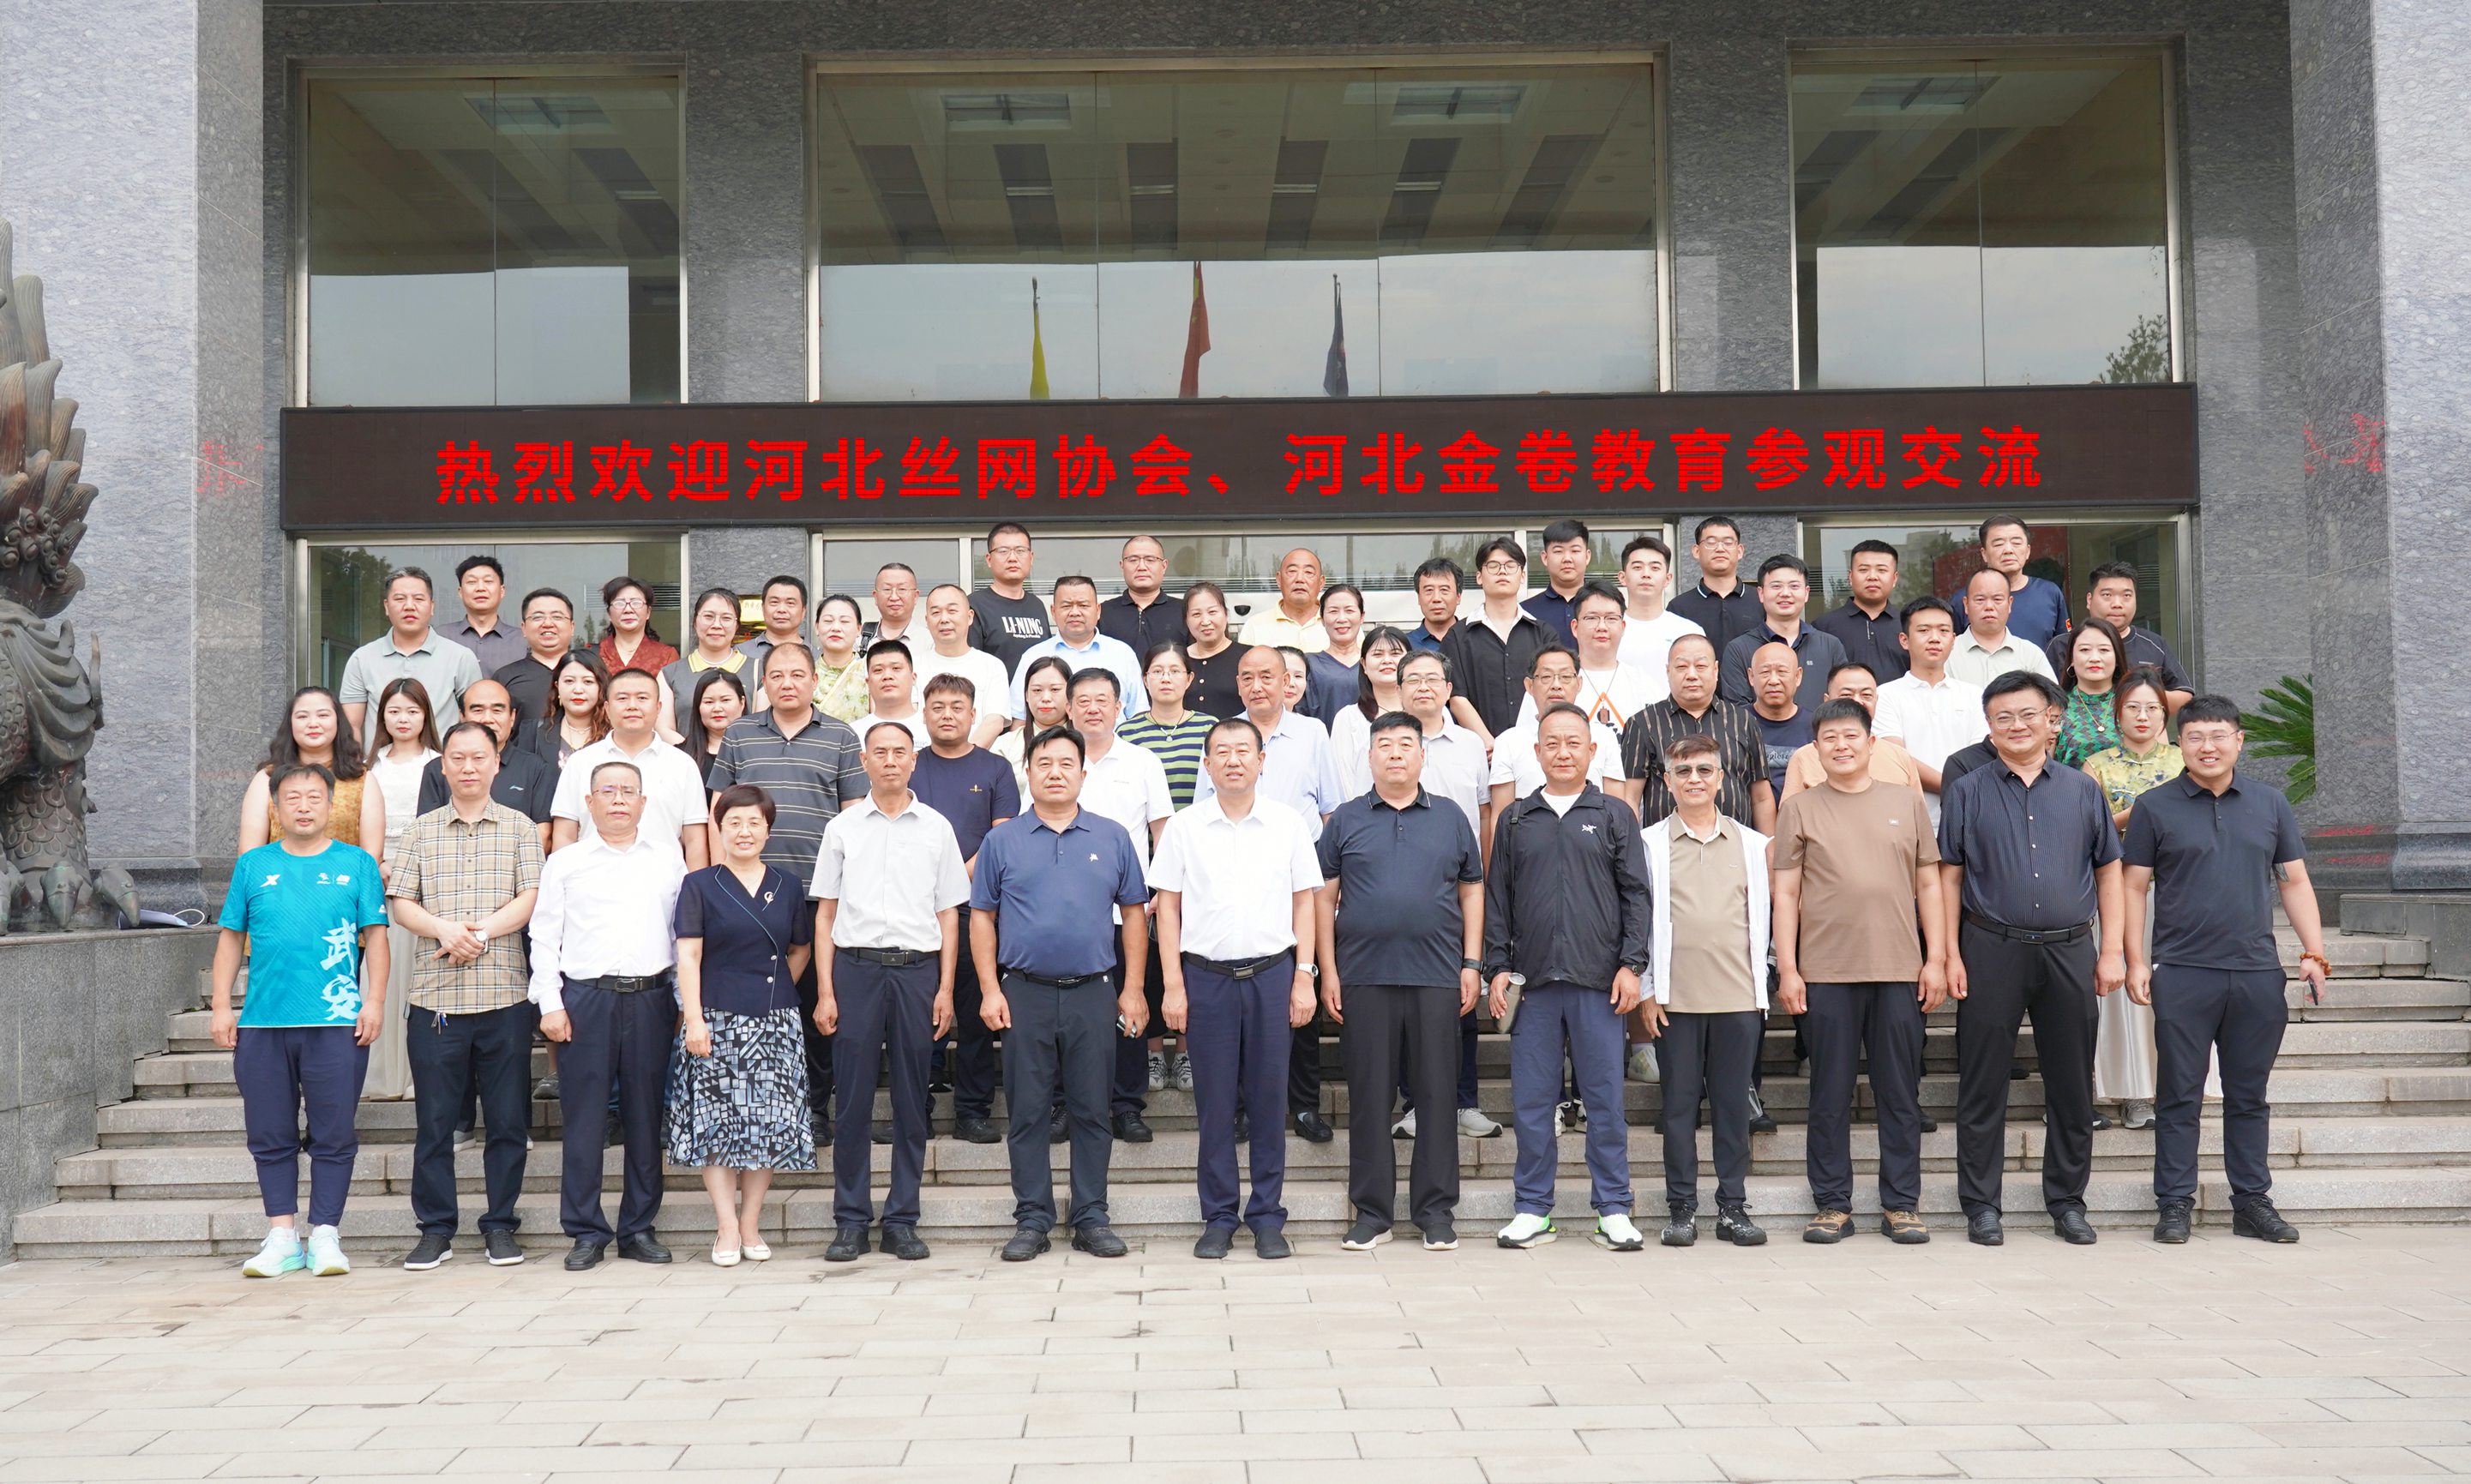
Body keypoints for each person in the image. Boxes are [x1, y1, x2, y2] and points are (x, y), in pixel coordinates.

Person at [2124, 696, 2330, 1246]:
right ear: (2180, 744)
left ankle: (2252, 1203)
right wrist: (2135, 960)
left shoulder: (2270, 803)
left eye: (2218, 736)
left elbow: (2294, 881)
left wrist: (2314, 953)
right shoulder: (2154, 806)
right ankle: (2174, 1204)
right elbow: (2133, 887)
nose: (2207, 747)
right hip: (2183, 971)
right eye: (2195, 737)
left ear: (2239, 741)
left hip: (2256, 972)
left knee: (2248, 1095)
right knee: (2179, 1094)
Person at [1938, 670, 2126, 1247]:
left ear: (2052, 721)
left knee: (2071, 1085)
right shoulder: (1967, 789)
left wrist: (2112, 950)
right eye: (2003, 717)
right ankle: (1981, 1205)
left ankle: (2067, 1202)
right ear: (1988, 726)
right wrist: (1948, 953)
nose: (2016, 725)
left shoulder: (2082, 789)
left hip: (2070, 948)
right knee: (1982, 1083)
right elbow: (1950, 875)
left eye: (2027, 714)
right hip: (1989, 947)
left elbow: (2109, 870)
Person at [971, 726, 1150, 1262]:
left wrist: (1133, 989)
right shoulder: (1001, 841)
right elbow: (982, 918)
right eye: (1044, 763)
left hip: (1093, 992)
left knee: (1093, 1110)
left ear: (1082, 774)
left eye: (1066, 763)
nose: (1055, 772)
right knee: (1027, 1112)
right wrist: (989, 989)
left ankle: (1091, 1216)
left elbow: (1134, 914)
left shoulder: (1112, 837)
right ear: (1027, 772)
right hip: (1023, 993)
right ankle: (1032, 1218)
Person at [1771, 703, 1947, 1247]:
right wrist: (1789, 968)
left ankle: (1902, 1205)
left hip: (1899, 968)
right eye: (1830, 738)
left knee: (1900, 1093)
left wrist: (1937, 958)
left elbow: (1929, 884)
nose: (1841, 746)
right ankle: (1831, 1205)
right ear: (1815, 749)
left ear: (1873, 744)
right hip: (1825, 971)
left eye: (1851, 735)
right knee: (1829, 1093)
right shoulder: (1799, 808)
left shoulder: (1906, 801)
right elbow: (1786, 893)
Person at [1152, 718, 1326, 1259]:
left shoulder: (1287, 824)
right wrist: (1174, 984)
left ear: (1261, 760)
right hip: (1207, 979)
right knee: (1215, 1103)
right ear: (1206, 764)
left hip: (1273, 976)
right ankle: (1220, 1216)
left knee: (1270, 1101)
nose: (1233, 760)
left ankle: (1268, 1216)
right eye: (1222, 752)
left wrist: (1304, 975)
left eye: (1243, 751)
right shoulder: (1185, 827)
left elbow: (1304, 901)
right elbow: (1168, 908)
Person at [212, 762, 390, 1279]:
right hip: (264, 1022)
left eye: (314, 797)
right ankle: (283, 1238)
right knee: (270, 1132)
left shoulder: (356, 864)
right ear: (276, 807)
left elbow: (377, 936)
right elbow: (230, 937)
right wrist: (222, 1005)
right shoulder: (253, 866)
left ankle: (326, 1235)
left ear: (331, 805)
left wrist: (375, 1001)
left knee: (334, 1132)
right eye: (293, 798)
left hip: (337, 1020)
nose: (304, 806)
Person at [1486, 704, 1652, 1252]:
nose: (1562, 752)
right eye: (1552, 743)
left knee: (1604, 1102)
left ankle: (1614, 1209)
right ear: (1536, 752)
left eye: (1573, 743)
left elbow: (1637, 896)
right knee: (1533, 1103)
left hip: (1598, 981)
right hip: (1532, 984)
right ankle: (1533, 1209)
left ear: (1592, 751)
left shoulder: (1613, 815)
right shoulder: (1515, 819)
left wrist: (1632, 965)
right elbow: (1498, 900)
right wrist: (1496, 968)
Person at [1318, 712, 1485, 1253]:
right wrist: (1327, 970)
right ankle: (1373, 1213)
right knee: (1370, 1098)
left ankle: (1435, 1211)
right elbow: (1323, 897)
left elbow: (1472, 890)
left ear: (1422, 755)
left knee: (1437, 1095)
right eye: (1384, 745)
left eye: (1405, 744)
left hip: (1437, 975)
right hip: (1363, 977)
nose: (1395, 753)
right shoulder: (1345, 819)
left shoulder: (1450, 817)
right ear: (1369, 757)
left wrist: (1472, 963)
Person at [386, 722, 543, 1271]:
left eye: (479, 757)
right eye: (458, 758)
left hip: (504, 996)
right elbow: (401, 902)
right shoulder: (421, 831)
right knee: (434, 1124)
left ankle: (500, 1224)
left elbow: (531, 896)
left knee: (507, 1123)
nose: (469, 767)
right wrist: (444, 931)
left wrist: (478, 934)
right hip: (436, 1002)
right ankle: (435, 1229)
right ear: (444, 766)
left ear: (496, 763)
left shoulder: (521, 827)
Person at [813, 723, 971, 1263]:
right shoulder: (842, 828)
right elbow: (826, 913)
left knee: (910, 1097)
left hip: (917, 972)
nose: (890, 761)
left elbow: (949, 913)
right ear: (864, 761)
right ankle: (851, 1220)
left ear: (913, 760)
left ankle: (902, 1218)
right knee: (853, 1099)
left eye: (899, 752)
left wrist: (945, 988)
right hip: (855, 970)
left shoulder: (937, 828)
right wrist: (826, 990)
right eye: (879, 752)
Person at [705, 641, 869, 1136]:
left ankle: (814, 1108)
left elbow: (854, 818)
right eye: (777, 675)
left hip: (819, 896)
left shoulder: (840, 736)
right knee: (751, 1000)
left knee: (817, 1002)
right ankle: (752, 1103)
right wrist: (720, 881)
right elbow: (718, 812)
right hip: (749, 896)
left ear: (815, 681)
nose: (788, 683)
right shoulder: (740, 734)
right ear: (764, 683)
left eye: (798, 674)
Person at [531, 759, 688, 1270]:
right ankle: (585, 1231)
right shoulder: (566, 862)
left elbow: (681, 938)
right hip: (586, 1001)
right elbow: (544, 936)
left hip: (651, 999)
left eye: (627, 791)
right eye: (607, 791)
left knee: (646, 1117)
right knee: (584, 1120)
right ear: (589, 802)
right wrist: (550, 1004)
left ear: (643, 802)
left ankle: (638, 1227)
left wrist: (683, 1003)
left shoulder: (668, 860)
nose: (618, 799)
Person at [1193, 647, 1344, 1143]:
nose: (1257, 686)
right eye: (1248, 678)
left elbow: (1330, 810)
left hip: (1298, 881)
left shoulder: (1312, 733)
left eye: (1267, 677)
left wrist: (1327, 880)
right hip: (1236, 883)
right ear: (1238, 684)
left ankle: (1303, 1105)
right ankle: (1239, 1108)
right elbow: (1201, 811)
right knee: (1241, 1003)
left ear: (1287, 683)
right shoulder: (1223, 736)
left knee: (1299, 989)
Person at [670, 784, 816, 1266]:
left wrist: (773, 991)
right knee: (718, 1124)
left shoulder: (787, 885)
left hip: (775, 1020)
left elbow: (800, 949)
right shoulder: (700, 884)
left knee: (767, 1125)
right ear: (720, 829)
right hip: (716, 1017)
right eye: (734, 822)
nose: (744, 831)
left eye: (755, 822)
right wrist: (694, 1018)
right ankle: (726, 1226)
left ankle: (751, 1222)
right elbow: (689, 956)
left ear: (769, 830)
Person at [1639, 732, 1771, 1249]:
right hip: (1675, 1001)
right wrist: (1648, 989)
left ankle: (1733, 1207)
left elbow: (1766, 917)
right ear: (1667, 781)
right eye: (1683, 771)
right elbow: (1638, 922)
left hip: (1738, 997)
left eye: (1703, 770)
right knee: (1677, 1109)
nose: (1694, 779)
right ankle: (1682, 1209)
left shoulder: (1753, 844)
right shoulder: (1648, 844)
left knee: (1734, 1109)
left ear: (1721, 778)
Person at [911, 674, 1019, 1145]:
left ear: (974, 714)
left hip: (976, 910)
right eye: (937, 707)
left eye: (957, 707)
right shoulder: (910, 764)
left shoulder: (995, 769)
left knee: (974, 1015)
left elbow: (1001, 835)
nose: (947, 715)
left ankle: (972, 1111)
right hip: (915, 908)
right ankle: (914, 1110)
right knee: (917, 1014)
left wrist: (953, 878)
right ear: (924, 713)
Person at [1067, 668, 1174, 1141]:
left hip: (1127, 912)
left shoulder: (1143, 762)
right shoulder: (1056, 758)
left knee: (1131, 1002)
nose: (1093, 708)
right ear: (1069, 708)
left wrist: (1160, 891)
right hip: (1067, 914)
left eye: (1102, 700)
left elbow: (1161, 832)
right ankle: (1064, 1104)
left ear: (1118, 707)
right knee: (1068, 1013)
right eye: (1083, 700)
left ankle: (1127, 1105)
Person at [2082, 666, 2186, 1132]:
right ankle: (2134, 1091)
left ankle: (2174, 1087)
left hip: (2179, 891)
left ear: (2165, 714)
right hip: (2119, 890)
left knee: (2176, 993)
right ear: (2117, 714)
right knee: (2126, 997)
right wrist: (2139, 814)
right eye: (2133, 708)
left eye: (2152, 708)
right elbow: (2089, 831)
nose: (2143, 716)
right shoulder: (2096, 766)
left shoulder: (2185, 761)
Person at [364, 677, 442, 1101]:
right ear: (382, 716)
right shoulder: (368, 766)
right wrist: (376, 864)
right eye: (394, 711)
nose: (403, 719)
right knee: (385, 972)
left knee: (420, 973)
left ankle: (419, 1075)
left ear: (426, 715)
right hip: (379, 877)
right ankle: (383, 1074)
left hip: (430, 879)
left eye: (412, 711)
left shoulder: (440, 762)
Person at [550, 667, 709, 868]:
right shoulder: (580, 762)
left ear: (658, 707)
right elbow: (565, 835)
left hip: (664, 881)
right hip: (591, 880)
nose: (632, 706)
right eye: (622, 698)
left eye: (642, 698)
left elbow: (695, 841)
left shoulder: (682, 764)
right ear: (607, 708)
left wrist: (693, 887)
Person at [1616, 633, 1773, 832]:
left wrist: (1768, 845)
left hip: (1734, 845)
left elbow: (1761, 797)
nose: (1691, 675)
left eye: (1700, 666)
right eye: (1682, 667)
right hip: (1666, 846)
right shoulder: (1642, 724)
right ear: (1668, 671)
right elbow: (1630, 797)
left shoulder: (1743, 721)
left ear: (1715, 670)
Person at [1871, 598, 1987, 825]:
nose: (1935, 638)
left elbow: (1979, 756)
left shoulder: (1974, 695)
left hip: (1970, 818)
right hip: (1908, 819)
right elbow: (1897, 759)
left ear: (1953, 640)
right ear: (1904, 640)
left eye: (1943, 631)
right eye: (1924, 630)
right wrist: (1955, 786)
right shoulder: (1884, 695)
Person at [339, 568, 483, 748]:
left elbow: (475, 723)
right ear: (386, 606)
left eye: (418, 599)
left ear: (432, 606)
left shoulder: (461, 657)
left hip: (442, 763)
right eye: (399, 599)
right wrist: (355, 765)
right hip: (379, 764)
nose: (409, 606)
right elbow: (351, 726)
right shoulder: (362, 658)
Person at [1488, 647, 1623, 838]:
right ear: (1529, 685)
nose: (1556, 685)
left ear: (1579, 683)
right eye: (1546, 677)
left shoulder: (1604, 737)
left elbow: (1618, 811)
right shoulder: (1508, 741)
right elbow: (1499, 817)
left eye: (1566, 677)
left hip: (1593, 845)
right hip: (1529, 846)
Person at [238, 686, 381, 858]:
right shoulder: (266, 778)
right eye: (302, 716)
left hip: (345, 875)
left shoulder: (362, 780)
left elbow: (372, 855)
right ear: (290, 724)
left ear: (338, 721)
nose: (313, 724)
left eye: (323, 715)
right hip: (278, 875)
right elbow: (249, 855)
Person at [418, 678, 556, 850]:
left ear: (512, 717)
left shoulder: (536, 769)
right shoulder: (438, 768)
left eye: (497, 710)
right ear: (462, 716)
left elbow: (542, 835)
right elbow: (427, 833)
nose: (488, 719)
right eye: (477, 710)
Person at [2046, 561, 2194, 714]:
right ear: (2089, 600)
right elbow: (2041, 699)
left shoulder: (2153, 644)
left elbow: (2184, 698)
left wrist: (2142, 696)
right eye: (2107, 595)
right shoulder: (2061, 645)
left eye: (2126, 596)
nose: (2117, 604)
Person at [1518, 582, 1656, 736]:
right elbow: (1524, 739)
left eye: (1611, 618)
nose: (1602, 627)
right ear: (1575, 627)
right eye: (1592, 618)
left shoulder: (1643, 684)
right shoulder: (1545, 683)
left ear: (1623, 627)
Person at [1719, 555, 1849, 712]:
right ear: (1761, 593)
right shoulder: (1739, 649)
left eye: (1794, 586)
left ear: (1806, 593)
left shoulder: (1830, 646)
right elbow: (1737, 712)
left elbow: (1843, 704)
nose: (1785, 593)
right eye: (1776, 586)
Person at [1778, 664, 1921, 802]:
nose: (1857, 702)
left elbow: (1916, 814)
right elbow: (1791, 814)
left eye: (1866, 695)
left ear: (1876, 700)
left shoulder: (1901, 758)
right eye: (1846, 695)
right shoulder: (1804, 758)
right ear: (1827, 701)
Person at [1455, 538, 1553, 736]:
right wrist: (1488, 743)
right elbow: (1457, 697)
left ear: (1522, 575)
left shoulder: (1544, 633)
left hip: (1537, 744)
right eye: (1493, 566)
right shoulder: (1458, 635)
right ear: (1479, 577)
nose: (1502, 571)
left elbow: (1554, 689)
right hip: (1482, 747)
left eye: (1510, 565)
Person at [1009, 575, 1145, 718]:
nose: (1074, 612)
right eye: (1066, 606)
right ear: (1053, 612)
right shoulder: (1033, 656)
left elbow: (1138, 714)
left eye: (1083, 605)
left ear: (1098, 610)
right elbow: (1019, 717)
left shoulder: (1122, 654)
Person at [1121, 642, 1217, 810]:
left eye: (1175, 671)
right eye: (1157, 672)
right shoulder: (1127, 732)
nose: (1166, 679)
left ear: (1189, 679)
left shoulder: (1210, 728)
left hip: (1199, 824)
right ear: (1145, 680)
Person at [914, 583, 1012, 745]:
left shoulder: (992, 666)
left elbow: (994, 722)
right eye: (936, 612)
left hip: (977, 758)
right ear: (927, 620)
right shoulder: (913, 667)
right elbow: (910, 719)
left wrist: (964, 757)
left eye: (952, 611)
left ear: (970, 617)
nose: (944, 619)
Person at [658, 587, 751, 745]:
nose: (716, 625)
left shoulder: (757, 670)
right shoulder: (670, 674)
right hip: (687, 757)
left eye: (726, 618)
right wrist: (697, 753)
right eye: (708, 617)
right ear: (695, 622)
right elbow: (663, 729)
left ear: (737, 626)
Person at [1813, 538, 1909, 682]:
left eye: (1882, 570)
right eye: (1863, 570)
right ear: (1851, 577)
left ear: (1895, 578)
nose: (1872, 577)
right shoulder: (1824, 626)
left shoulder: (1908, 625)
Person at [1948, 567, 2059, 688]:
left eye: (1997, 599)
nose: (1989, 606)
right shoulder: (1947, 654)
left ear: (2010, 604)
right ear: (1966, 604)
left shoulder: (2031, 655)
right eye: (1980, 600)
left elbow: (2052, 698)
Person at [1971, 514, 2071, 651]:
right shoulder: (1966, 599)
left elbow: (2063, 649)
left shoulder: (2050, 593)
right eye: (1999, 544)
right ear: (1984, 554)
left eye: (2016, 543)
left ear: (2028, 551)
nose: (2008, 550)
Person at [1669, 516, 1765, 658]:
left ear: (1739, 551)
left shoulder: (1762, 601)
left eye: (1728, 542)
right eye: (1711, 542)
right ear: (1696, 551)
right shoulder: (1679, 607)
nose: (1720, 549)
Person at [1616, 534, 1704, 682]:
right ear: (1622, 577)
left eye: (1655, 568)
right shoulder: (1607, 630)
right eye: (1637, 567)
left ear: (1667, 579)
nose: (1646, 574)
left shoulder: (1689, 632)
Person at [971, 521, 1052, 670]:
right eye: (1003, 551)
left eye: (1020, 551)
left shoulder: (1037, 605)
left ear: (1031, 558)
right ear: (989, 559)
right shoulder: (974, 605)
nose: (1012, 558)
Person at [493, 586, 579, 724]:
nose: (548, 624)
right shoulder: (504, 677)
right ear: (524, 628)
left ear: (572, 627)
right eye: (537, 617)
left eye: (557, 617)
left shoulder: (591, 673)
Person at [992, 654, 1073, 794]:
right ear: (1026, 696)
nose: (1046, 698)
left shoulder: (1088, 742)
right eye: (1037, 690)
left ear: (1070, 694)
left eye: (1055, 690)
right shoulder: (1004, 746)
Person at [1099, 534, 1188, 656]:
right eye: (1133, 560)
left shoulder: (1185, 611)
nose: (1141, 567)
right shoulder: (1103, 612)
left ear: (1164, 566)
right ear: (1122, 566)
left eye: (1150, 560)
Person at [2055, 618, 2128, 767]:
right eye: (2085, 650)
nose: (2094, 658)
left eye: (2104, 650)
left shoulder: (2134, 704)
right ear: (2071, 658)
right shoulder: (2055, 708)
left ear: (2117, 658)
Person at [1747, 641, 1814, 798]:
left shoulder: (1816, 726)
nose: (1774, 681)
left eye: (1782, 672)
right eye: (1765, 672)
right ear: (1751, 676)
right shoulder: (1735, 723)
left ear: (1798, 676)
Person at [523, 651, 610, 769]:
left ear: (601, 687)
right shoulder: (532, 731)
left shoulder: (616, 734)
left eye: (588, 682)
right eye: (569, 681)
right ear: (557, 686)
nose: (578, 690)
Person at [444, 555, 526, 675]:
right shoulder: (441, 636)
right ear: (460, 592)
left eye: (488, 581)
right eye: (472, 582)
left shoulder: (523, 640)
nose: (480, 588)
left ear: (502, 591)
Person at [1237, 547, 1330, 652]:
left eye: (1308, 572)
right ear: (1279, 579)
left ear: (1321, 583)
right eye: (1292, 571)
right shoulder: (1255, 625)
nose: (1300, 579)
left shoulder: (1336, 624)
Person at [1300, 584, 1365, 727]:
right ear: (1322, 619)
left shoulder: (1375, 662)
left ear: (1362, 617)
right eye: (1333, 611)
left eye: (1349, 611)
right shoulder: (1308, 664)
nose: (1341, 619)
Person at [1521, 519, 1594, 646]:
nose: (1567, 559)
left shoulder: (1605, 608)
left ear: (1587, 556)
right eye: (1558, 551)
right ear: (1545, 558)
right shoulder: (1526, 613)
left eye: (1575, 551)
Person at [682, 670, 749, 802]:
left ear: (742, 703)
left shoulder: (759, 751)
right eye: (709, 702)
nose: (717, 708)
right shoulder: (680, 756)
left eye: (725, 700)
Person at [1181, 581, 1245, 720]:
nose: (1205, 621)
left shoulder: (1248, 657)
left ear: (1226, 614)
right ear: (1186, 620)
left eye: (1212, 612)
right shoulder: (1176, 659)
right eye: (1196, 614)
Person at [855, 638, 931, 748]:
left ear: (913, 678)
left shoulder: (932, 729)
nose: (887, 676)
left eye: (896, 668)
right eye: (878, 670)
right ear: (868, 683)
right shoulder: (853, 734)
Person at [596, 574, 678, 676]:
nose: (628, 610)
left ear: (648, 612)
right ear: (609, 614)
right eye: (619, 603)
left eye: (636, 603)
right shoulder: (595, 654)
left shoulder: (666, 655)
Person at [809, 594, 873, 723]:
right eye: (828, 621)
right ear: (817, 627)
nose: (836, 628)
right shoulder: (804, 673)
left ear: (858, 629)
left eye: (845, 622)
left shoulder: (870, 673)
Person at [1409, 556, 1467, 654]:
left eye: (1444, 590)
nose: (1436, 598)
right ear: (1419, 598)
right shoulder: (1405, 645)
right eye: (1429, 590)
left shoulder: (1474, 641)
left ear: (1458, 596)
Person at [863, 562, 921, 646]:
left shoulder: (931, 641)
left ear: (915, 596)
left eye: (902, 589)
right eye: (887, 589)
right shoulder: (858, 640)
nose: (894, 597)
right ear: (876, 596)